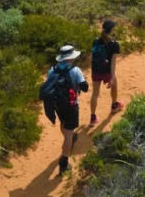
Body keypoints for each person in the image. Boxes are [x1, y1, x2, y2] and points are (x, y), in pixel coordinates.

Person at [42, 44, 88, 175]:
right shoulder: (75, 70)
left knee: (63, 124)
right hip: (71, 106)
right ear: (71, 57)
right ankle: (64, 162)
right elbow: (84, 87)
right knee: (68, 135)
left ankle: (69, 138)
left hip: (57, 105)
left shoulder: (52, 70)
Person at [89, 19, 122, 125]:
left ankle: (93, 117)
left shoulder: (95, 41)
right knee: (114, 85)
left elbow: (92, 57)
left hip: (96, 71)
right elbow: (113, 63)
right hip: (107, 71)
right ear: (111, 30)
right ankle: (114, 105)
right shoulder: (115, 44)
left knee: (95, 93)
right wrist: (112, 78)